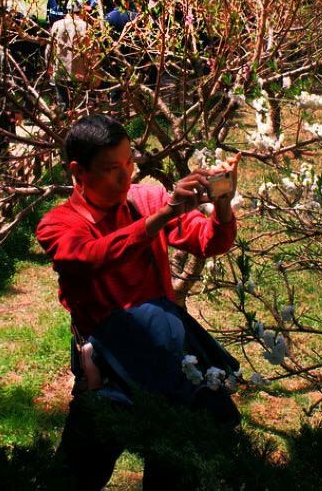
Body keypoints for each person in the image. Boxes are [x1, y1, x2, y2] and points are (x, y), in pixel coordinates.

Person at [36, 114, 241, 489]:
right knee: (76, 477)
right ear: (78, 171)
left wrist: (222, 205)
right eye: (112, 168)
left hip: (164, 366)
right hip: (107, 375)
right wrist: (162, 216)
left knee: (174, 472)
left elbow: (210, 242)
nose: (126, 177)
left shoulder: (144, 199)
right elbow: (88, 257)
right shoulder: (58, 223)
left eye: (130, 163)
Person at [47, 0, 96, 108]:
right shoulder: (86, 27)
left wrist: (49, 65)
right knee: (80, 107)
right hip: (80, 74)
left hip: (61, 71)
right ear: (82, 10)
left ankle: (63, 124)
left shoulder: (57, 25)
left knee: (63, 105)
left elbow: (49, 49)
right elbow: (92, 53)